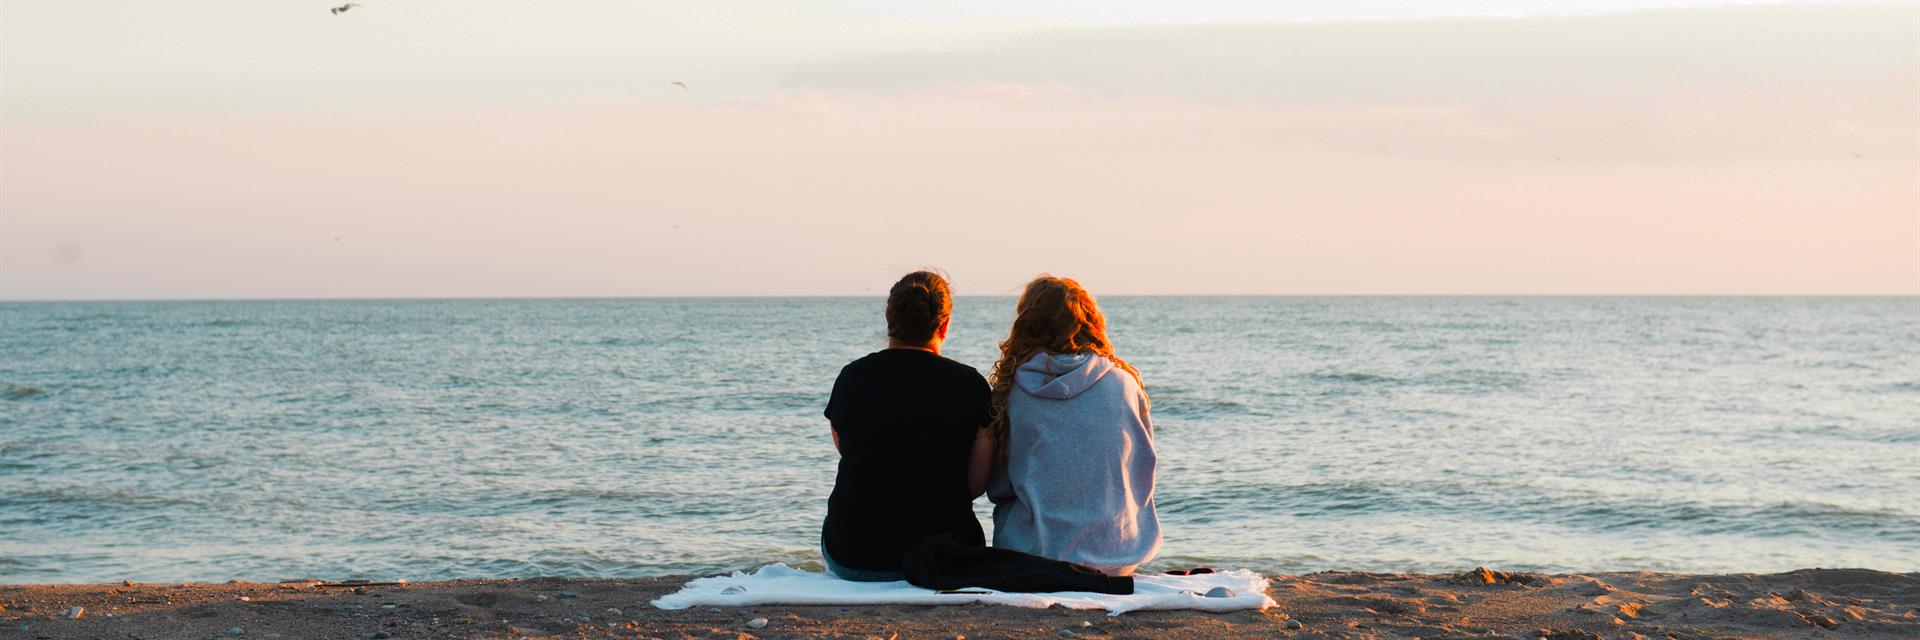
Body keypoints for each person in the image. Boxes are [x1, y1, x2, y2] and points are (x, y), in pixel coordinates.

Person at [820, 270, 995, 581]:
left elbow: (851, 452)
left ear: (889, 316)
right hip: (945, 555)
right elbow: (975, 485)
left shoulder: (852, 378)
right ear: (945, 325)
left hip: (853, 555)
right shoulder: (970, 385)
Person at [985, 275, 1160, 576]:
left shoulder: (1013, 391)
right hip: (1118, 557)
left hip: (1035, 556)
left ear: (1027, 325)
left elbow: (1000, 487)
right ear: (1093, 323)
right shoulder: (1124, 384)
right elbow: (1141, 472)